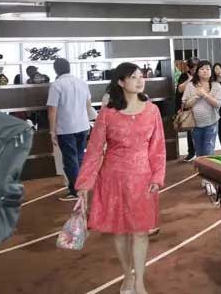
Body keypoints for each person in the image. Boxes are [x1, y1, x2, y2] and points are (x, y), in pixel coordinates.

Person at [76, 63, 166, 294]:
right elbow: (94, 150)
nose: (140, 80)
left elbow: (158, 148)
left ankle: (139, 281)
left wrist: (157, 176)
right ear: (120, 82)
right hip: (112, 179)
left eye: (141, 76)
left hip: (143, 179)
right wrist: (84, 184)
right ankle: (127, 275)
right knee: (119, 231)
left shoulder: (152, 111)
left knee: (140, 231)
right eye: (133, 77)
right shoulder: (108, 113)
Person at [46, 58, 92, 201]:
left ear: (55, 70)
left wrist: (52, 131)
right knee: (79, 158)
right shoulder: (82, 83)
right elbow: (88, 104)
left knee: (70, 160)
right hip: (83, 126)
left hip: (66, 128)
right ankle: (82, 187)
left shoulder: (56, 85)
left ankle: (76, 191)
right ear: (69, 67)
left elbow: (52, 109)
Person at [182, 60, 221, 157]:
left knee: (209, 152)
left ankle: (209, 167)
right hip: (195, 125)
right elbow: (185, 104)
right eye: (202, 69)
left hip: (211, 124)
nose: (205, 71)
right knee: (199, 153)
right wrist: (196, 96)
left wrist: (204, 95)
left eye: (208, 69)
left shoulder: (216, 86)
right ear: (197, 72)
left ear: (211, 72)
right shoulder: (190, 86)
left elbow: (217, 104)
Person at [176, 57, 199, 162]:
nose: (195, 70)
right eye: (193, 69)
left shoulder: (202, 75)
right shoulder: (184, 76)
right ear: (189, 68)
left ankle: (200, 153)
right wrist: (190, 79)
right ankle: (191, 152)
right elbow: (180, 89)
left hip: (201, 107)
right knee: (191, 131)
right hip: (189, 108)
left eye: (197, 68)